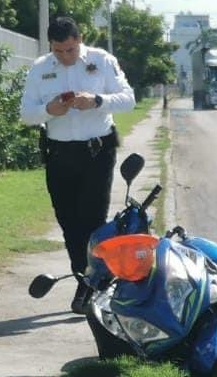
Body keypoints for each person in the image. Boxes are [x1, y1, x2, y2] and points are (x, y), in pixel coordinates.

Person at [20, 16, 135, 314]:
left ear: (79, 39)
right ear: (51, 46)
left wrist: (97, 100)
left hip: (97, 151)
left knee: (93, 220)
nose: (65, 56)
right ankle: (85, 277)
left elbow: (128, 99)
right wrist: (49, 109)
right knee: (68, 222)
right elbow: (26, 113)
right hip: (59, 154)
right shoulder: (41, 68)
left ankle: (92, 286)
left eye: (70, 49)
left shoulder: (101, 60)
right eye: (59, 51)